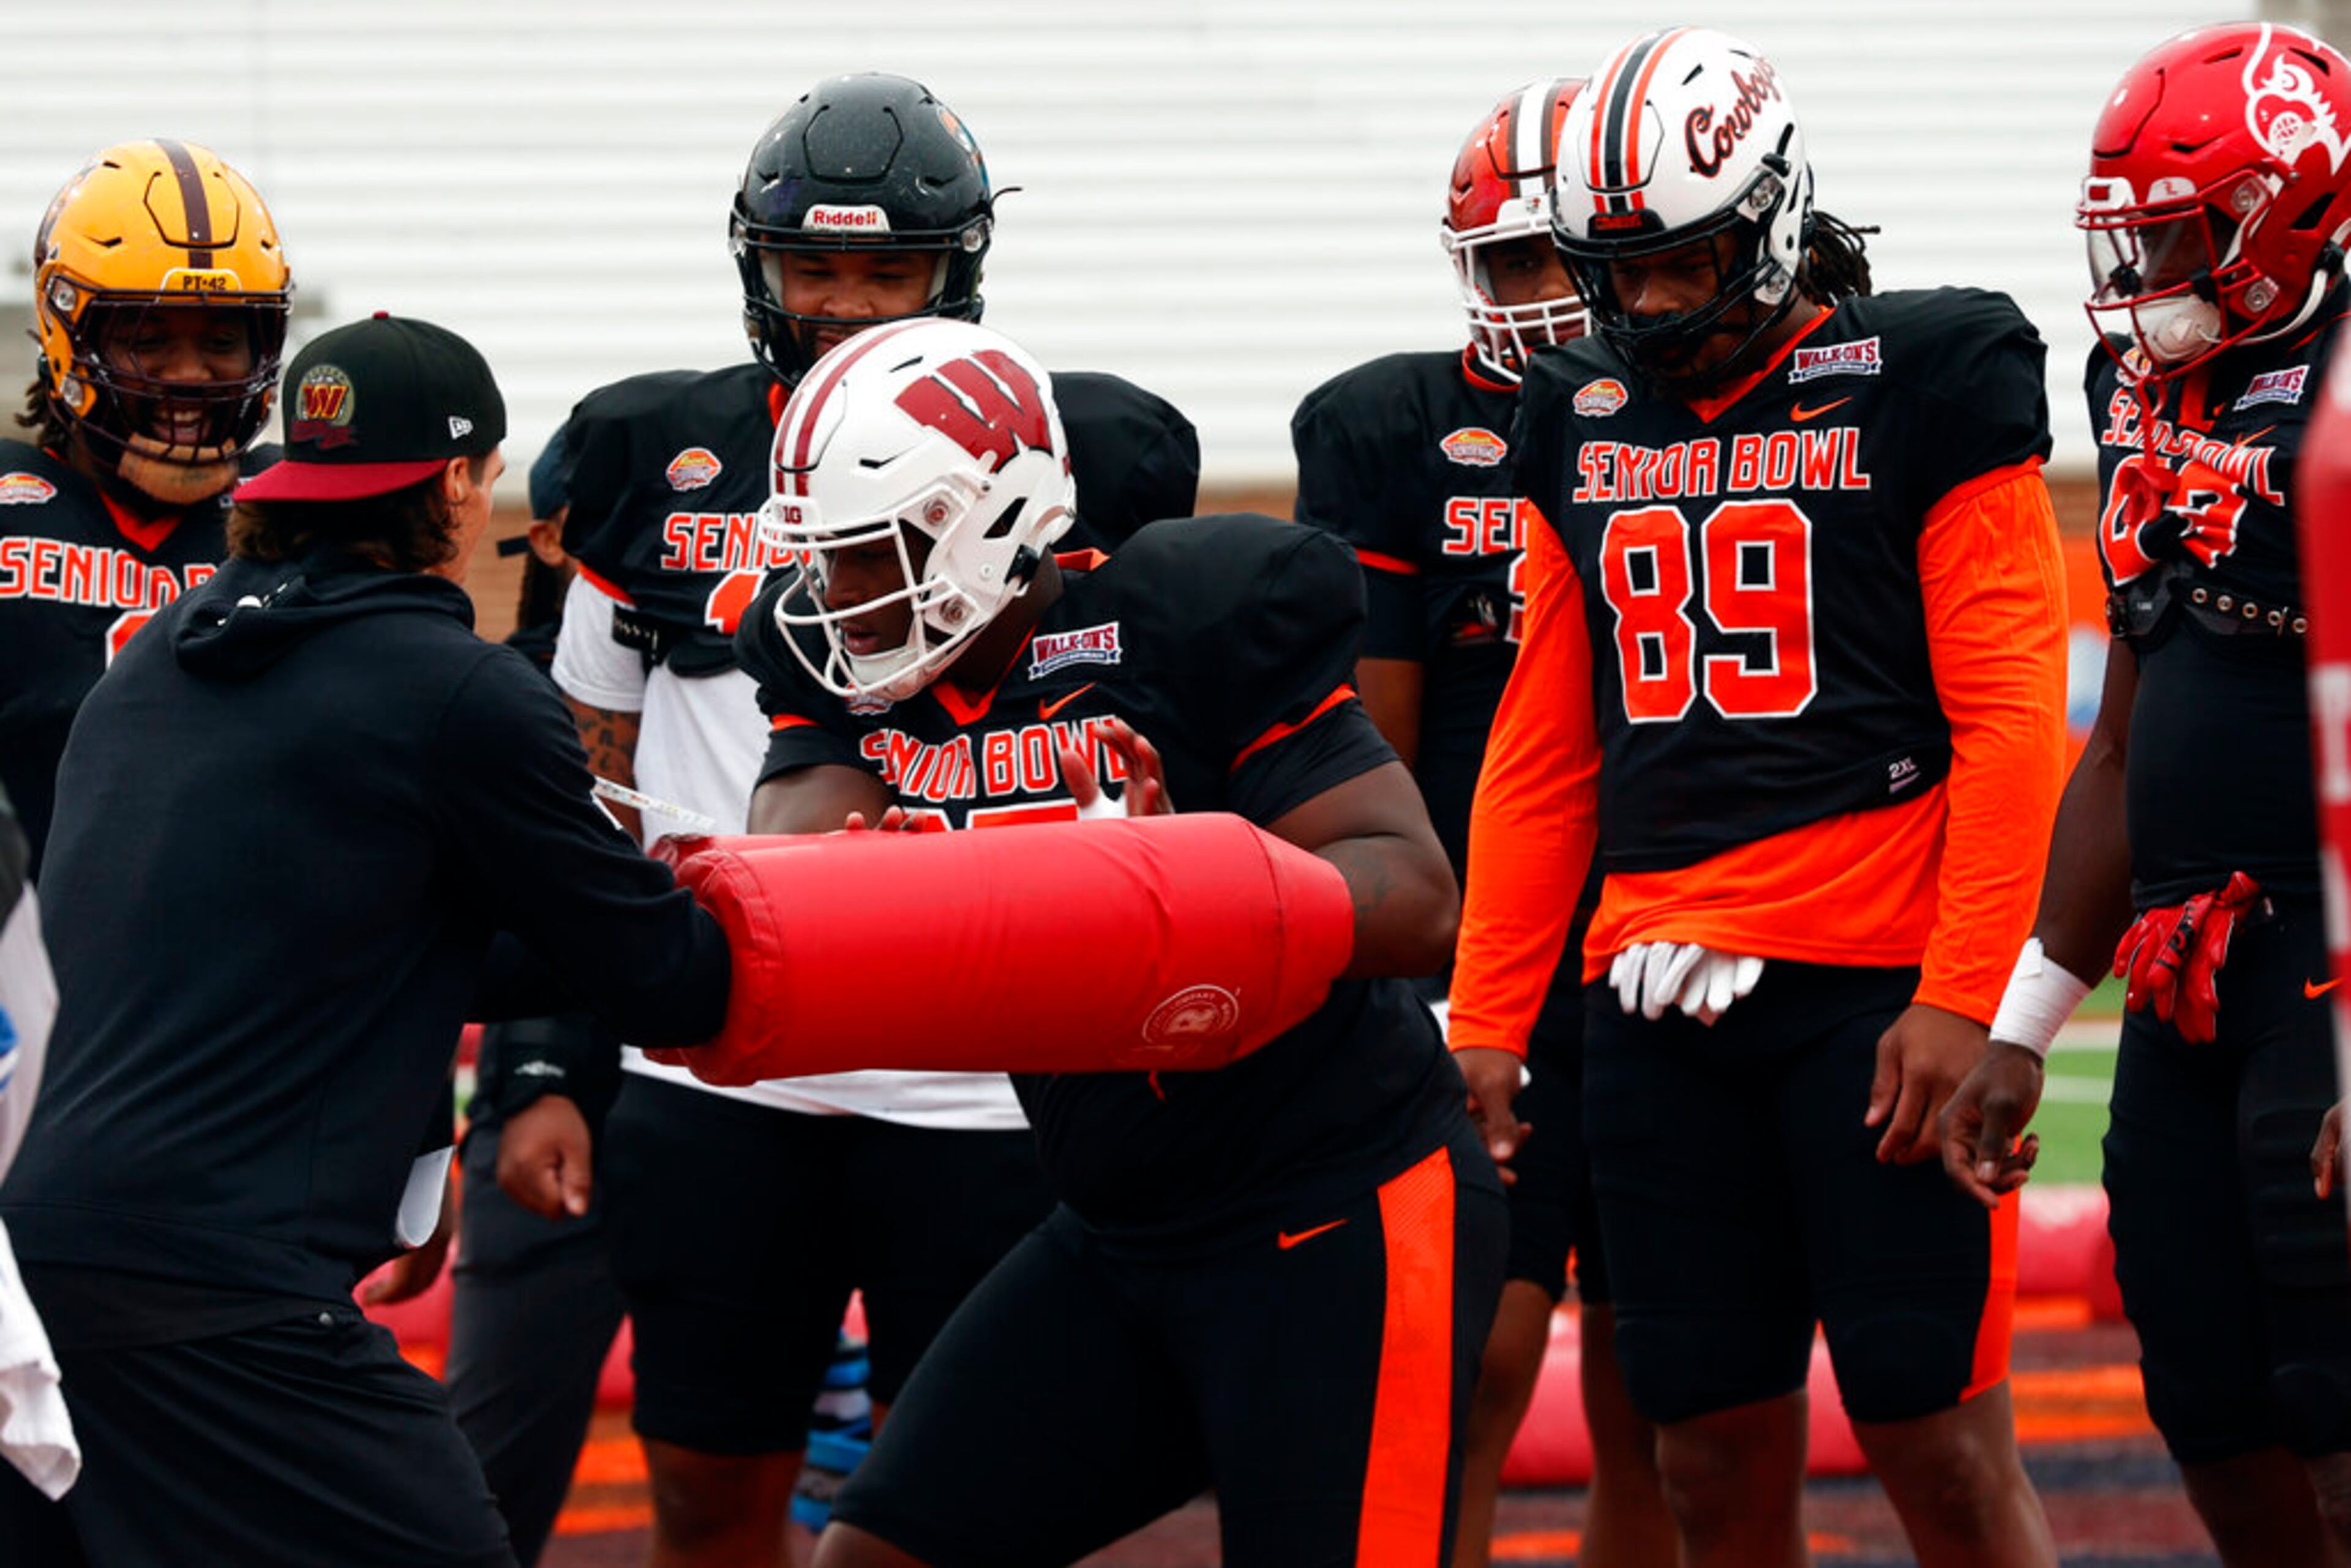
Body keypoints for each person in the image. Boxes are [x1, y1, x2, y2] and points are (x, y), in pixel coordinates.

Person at [528, 73, 1201, 1568]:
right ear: (755, 268)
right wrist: (565, 1045)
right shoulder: (655, 450)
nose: (840, 302)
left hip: (986, 1070)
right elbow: (592, 778)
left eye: (882, 268)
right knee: (705, 1486)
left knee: (971, 1497)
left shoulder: (1077, 447)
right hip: (725, 1063)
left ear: (951, 273)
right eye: (810, 266)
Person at [731, 317, 1502, 1566]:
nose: (846, 598)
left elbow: (1413, 893)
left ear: (990, 516)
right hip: (1119, 1221)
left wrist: (1192, 884)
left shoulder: (1178, 619)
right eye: (828, 564)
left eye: (875, 555)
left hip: (1339, 1203)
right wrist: (877, 884)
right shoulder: (849, 673)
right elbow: (805, 854)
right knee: (881, 1552)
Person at [1450, 26, 2068, 1567]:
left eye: (1685, 261)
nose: (1650, 305)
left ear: (1776, 212)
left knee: (1934, 1440)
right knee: (1701, 1459)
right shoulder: (1573, 415)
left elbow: (2009, 718)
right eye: (1621, 272)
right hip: (1654, 995)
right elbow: (1543, 748)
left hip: (1872, 992)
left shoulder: (1922, 373)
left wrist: (1966, 995)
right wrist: (1484, 1019)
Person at [0, 313, 733, 1568]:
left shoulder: (155, 665)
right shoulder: (455, 689)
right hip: (225, 1287)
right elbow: (667, 975)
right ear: (458, 483)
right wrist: (775, 885)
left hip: (37, 1258)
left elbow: (347, 938)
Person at [1941, 21, 2351, 1563]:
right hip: (2185, 966)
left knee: (2336, 1407)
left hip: (2325, 949)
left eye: (2170, 236)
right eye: (2122, 237)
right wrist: (2023, 1018)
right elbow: (2123, 731)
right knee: (2211, 1408)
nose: (2135, 277)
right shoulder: (2132, 382)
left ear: (2286, 209)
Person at [1289, 79, 1671, 1568]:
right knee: (1465, 1368)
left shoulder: (1689, 412)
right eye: (1502, 264)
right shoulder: (1390, 424)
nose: (1533, 297)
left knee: (1669, 1390)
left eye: (1550, 257)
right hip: (1480, 959)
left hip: (1659, 943)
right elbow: (1368, 733)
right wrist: (1436, 967)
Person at [441, 415, 634, 1568]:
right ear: (553, 536)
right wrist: (534, 1077)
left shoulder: (775, 650)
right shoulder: (496, 689)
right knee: (480, 1486)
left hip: (753, 1105)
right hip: (565, 1104)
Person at [0, 139, 291, 879]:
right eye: (147, 339)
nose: (189, 376)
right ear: (71, 334)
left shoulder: (298, 516)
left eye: (223, 339)